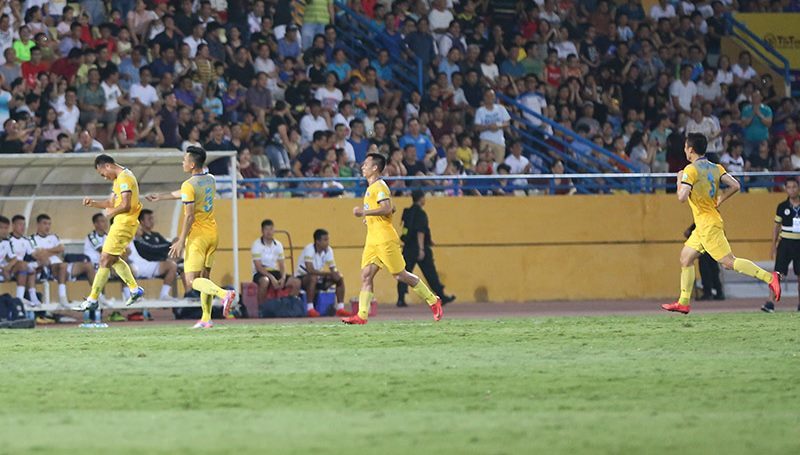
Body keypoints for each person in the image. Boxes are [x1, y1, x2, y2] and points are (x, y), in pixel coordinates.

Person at [662, 134, 780, 314]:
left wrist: (679, 179)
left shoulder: (690, 170)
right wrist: (721, 198)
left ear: (691, 150)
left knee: (728, 262)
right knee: (686, 258)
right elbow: (736, 185)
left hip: (707, 224)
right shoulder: (715, 167)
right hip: (705, 224)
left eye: (686, 147)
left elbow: (681, 197)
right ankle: (683, 302)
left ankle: (769, 278)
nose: (685, 150)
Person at [342, 153, 443, 325]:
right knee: (366, 275)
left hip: (384, 239)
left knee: (400, 275)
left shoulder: (379, 186)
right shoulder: (372, 188)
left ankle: (433, 300)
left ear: (375, 168)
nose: (362, 167)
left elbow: (387, 208)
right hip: (373, 239)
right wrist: (371, 217)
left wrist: (364, 213)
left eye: (366, 164)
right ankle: (362, 315)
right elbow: (391, 208)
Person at [145, 147, 237, 328]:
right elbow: (189, 193)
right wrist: (162, 197)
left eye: (185, 160)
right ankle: (206, 318)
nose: (182, 162)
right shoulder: (210, 179)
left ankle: (224, 294)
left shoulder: (188, 185)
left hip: (197, 237)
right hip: (213, 233)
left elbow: (189, 216)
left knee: (192, 281)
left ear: (192, 164)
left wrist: (180, 240)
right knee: (205, 278)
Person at [76, 155, 145, 312]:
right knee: (111, 259)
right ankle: (134, 289)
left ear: (107, 166)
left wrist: (112, 212)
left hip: (124, 223)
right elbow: (111, 203)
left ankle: (93, 299)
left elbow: (125, 205)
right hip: (121, 223)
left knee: (105, 259)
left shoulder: (125, 177)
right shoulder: (118, 180)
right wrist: (93, 203)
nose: (105, 178)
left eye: (102, 174)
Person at [397, 190, 454, 308]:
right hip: (419, 247)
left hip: (408, 248)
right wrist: (421, 248)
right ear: (421, 198)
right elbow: (420, 231)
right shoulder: (421, 214)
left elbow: (406, 230)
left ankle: (401, 298)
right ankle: (441, 296)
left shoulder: (407, 212)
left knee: (404, 273)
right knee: (430, 273)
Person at [763, 178, 800, 313]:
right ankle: (770, 302)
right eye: (789, 187)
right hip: (785, 243)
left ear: (798, 188)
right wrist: (773, 245)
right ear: (785, 189)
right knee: (777, 274)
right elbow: (776, 227)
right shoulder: (782, 206)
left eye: (794, 187)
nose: (792, 190)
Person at [250, 219, 304, 312]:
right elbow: (258, 267)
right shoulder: (256, 245)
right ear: (262, 231)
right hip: (261, 273)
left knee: (296, 282)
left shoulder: (278, 245)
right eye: (266, 229)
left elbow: (282, 264)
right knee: (264, 281)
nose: (269, 232)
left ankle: (288, 308)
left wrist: (283, 278)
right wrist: (271, 278)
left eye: (271, 229)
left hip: (275, 272)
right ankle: (262, 309)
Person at [295, 229, 350, 317]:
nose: (327, 242)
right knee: (313, 277)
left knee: (339, 278)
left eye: (328, 239)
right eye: (325, 240)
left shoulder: (328, 250)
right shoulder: (309, 249)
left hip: (318, 277)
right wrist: (328, 274)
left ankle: (340, 308)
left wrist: (336, 274)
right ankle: (310, 309)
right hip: (303, 278)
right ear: (317, 241)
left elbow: (332, 268)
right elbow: (310, 270)